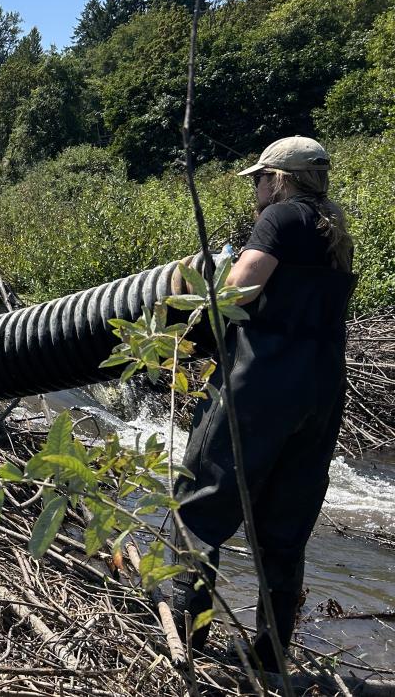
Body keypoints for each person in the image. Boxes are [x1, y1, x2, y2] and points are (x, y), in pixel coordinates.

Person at [169, 136, 355, 669]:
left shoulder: (279, 218)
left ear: (280, 178)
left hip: (260, 386)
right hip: (321, 393)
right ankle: (272, 654)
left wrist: (197, 282)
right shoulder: (334, 229)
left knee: (199, 506)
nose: (256, 188)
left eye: (259, 178)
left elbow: (239, 291)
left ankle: (187, 640)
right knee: (285, 524)